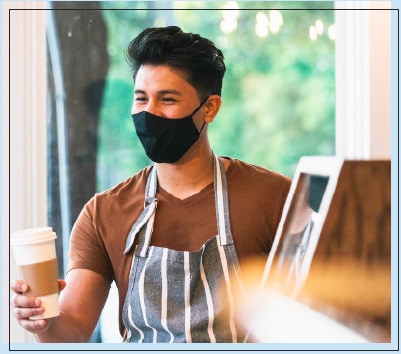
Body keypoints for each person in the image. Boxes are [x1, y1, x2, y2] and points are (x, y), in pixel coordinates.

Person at [11, 26, 291, 343]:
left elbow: (315, 315)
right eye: (141, 98)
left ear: (210, 108)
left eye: (167, 99)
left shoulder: (275, 198)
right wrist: (44, 321)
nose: (150, 113)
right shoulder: (103, 213)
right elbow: (72, 330)